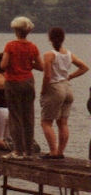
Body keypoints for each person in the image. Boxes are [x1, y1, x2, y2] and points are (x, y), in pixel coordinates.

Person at [40, 27, 88, 159]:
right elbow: (84, 67)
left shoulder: (49, 55)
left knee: (46, 122)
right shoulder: (68, 54)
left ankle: (53, 151)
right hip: (67, 89)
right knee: (63, 122)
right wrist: (70, 76)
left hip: (55, 88)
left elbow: (47, 76)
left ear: (50, 38)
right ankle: (60, 151)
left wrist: (43, 90)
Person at [0, 16, 43, 160]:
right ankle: (29, 151)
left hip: (13, 82)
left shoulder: (10, 46)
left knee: (15, 117)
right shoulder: (33, 47)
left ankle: (17, 151)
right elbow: (41, 66)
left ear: (15, 30)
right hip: (28, 82)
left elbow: (3, 65)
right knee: (28, 116)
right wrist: (29, 64)